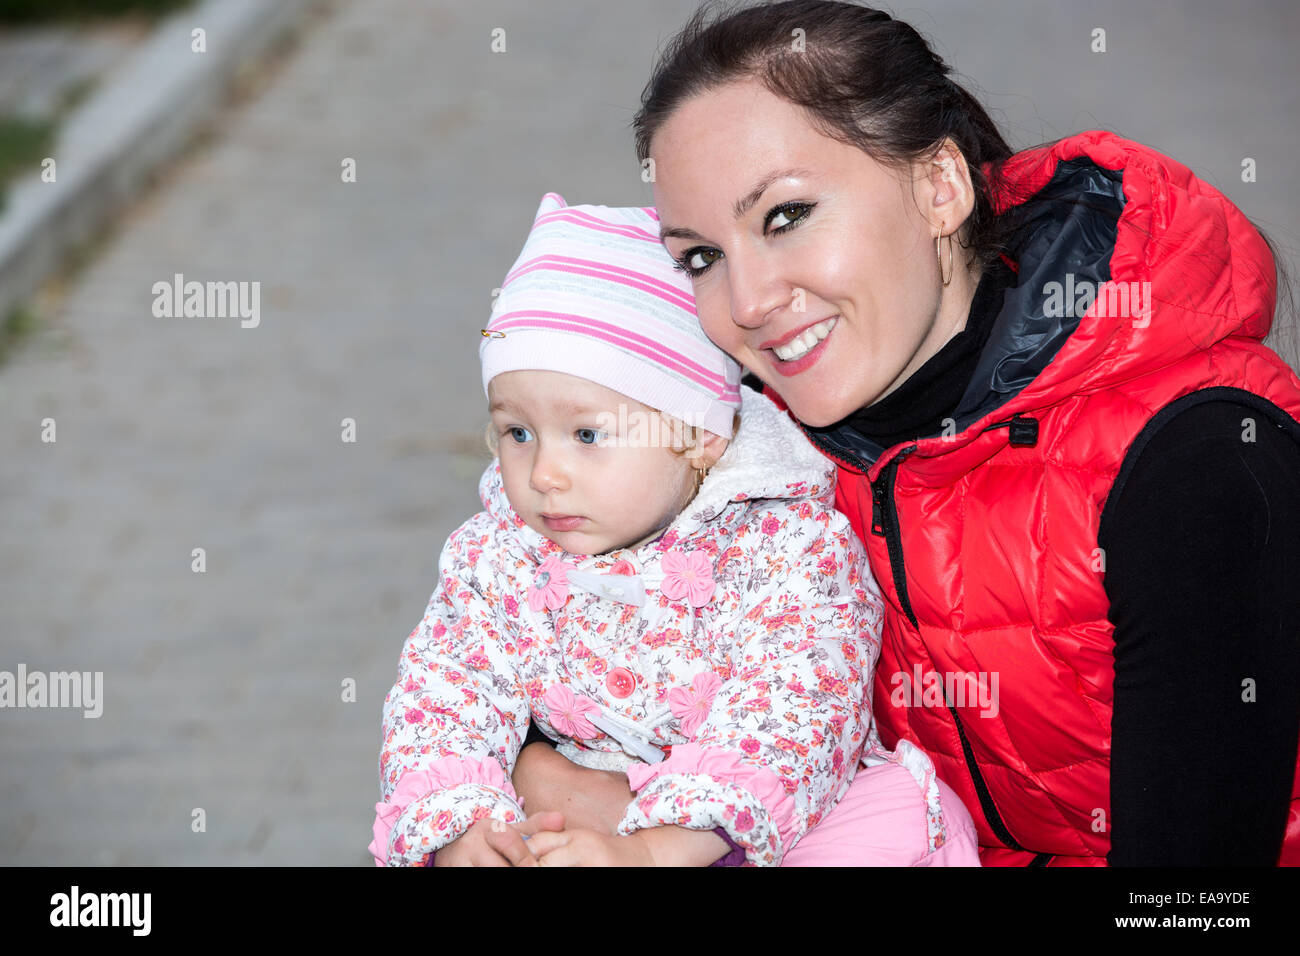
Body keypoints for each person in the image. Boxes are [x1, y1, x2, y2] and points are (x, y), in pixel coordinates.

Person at [512, 0, 1300, 866]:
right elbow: (534, 684)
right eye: (701, 257)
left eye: (785, 217)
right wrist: (543, 781)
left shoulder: (1198, 466)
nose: (746, 304)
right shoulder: (743, 463)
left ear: (939, 188)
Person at [369, 192, 980, 866]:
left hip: (742, 823)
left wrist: (658, 851)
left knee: (908, 816)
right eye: (516, 431)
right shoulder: (497, 556)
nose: (544, 472)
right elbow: (444, 695)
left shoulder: (787, 545)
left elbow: (795, 709)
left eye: (586, 434)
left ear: (694, 436)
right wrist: (463, 828)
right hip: (575, 819)